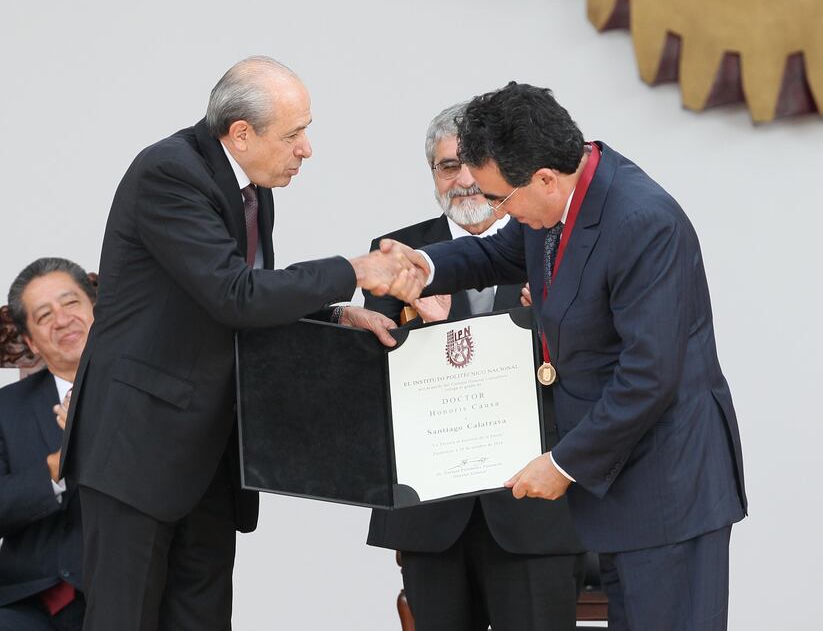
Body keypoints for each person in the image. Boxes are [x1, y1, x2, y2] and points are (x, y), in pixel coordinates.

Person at [59, 56, 425, 631]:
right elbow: (234, 294)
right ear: (241, 133)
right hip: (139, 447)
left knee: (203, 617)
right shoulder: (169, 172)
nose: (307, 149)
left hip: (210, 450)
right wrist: (354, 270)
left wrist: (334, 315)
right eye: (294, 134)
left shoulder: (253, 186)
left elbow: (243, 294)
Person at [385, 82, 747, 631]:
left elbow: (649, 376)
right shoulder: (560, 198)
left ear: (544, 179)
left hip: (667, 491)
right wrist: (420, 267)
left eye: (499, 199)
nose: (496, 212)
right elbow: (494, 253)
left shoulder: (642, 221)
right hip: (617, 493)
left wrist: (562, 464)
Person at [364, 103, 584, 631]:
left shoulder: (556, 241)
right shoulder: (401, 256)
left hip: (534, 512)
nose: (463, 180)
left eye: (472, 165)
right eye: (447, 167)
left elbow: (594, 362)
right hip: (433, 514)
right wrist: (425, 333)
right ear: (432, 174)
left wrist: (550, 320)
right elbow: (375, 376)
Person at [0, 258, 96, 630]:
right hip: (24, 604)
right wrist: (56, 467)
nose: (62, 319)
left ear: (98, 310)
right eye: (44, 315)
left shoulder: (145, 395)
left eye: (70, 303)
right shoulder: (6, 408)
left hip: (119, 595)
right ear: (30, 342)